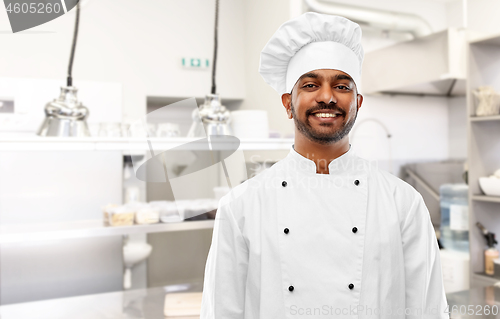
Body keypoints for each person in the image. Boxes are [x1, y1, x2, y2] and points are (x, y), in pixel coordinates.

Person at [200, 12, 448, 319]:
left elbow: (428, 311)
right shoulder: (241, 208)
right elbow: (221, 312)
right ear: (288, 104)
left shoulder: (403, 204)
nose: (327, 97)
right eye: (310, 85)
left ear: (357, 103)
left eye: (342, 86)